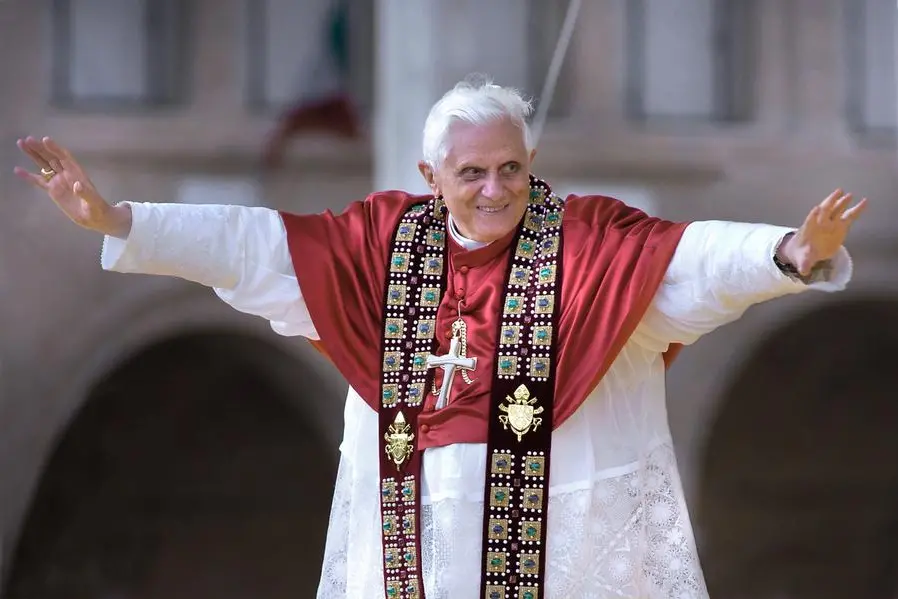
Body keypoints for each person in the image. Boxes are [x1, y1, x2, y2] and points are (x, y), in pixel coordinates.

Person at [15, 79, 866, 599]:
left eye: (512, 168)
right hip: (413, 553)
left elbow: (686, 262)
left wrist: (786, 253)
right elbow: (252, 243)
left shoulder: (586, 240)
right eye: (473, 172)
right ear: (430, 177)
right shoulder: (379, 247)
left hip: (559, 553)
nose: (497, 189)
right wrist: (118, 218)